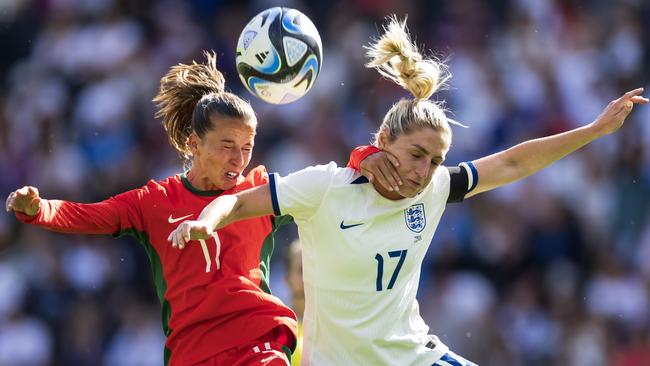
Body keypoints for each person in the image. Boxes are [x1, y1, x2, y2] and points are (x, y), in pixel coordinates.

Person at [167, 18, 648, 366]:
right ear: (382, 142)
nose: (425, 170)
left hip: (411, 356)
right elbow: (237, 201)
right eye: (417, 154)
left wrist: (594, 130)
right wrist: (205, 221)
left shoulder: (436, 189)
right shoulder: (325, 187)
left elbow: (514, 161)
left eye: (435, 160)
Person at [5, 51, 379, 366]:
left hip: (259, 342)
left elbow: (330, 185)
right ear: (193, 143)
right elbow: (91, 216)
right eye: (226, 145)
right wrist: (39, 210)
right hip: (192, 353)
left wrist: (365, 157)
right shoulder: (154, 201)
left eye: (247, 146)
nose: (239, 158)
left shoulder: (259, 192)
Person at [285, 239, 305, 365]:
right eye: (301, 270)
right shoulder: (280, 330)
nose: (307, 278)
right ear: (287, 279)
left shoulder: (335, 328)